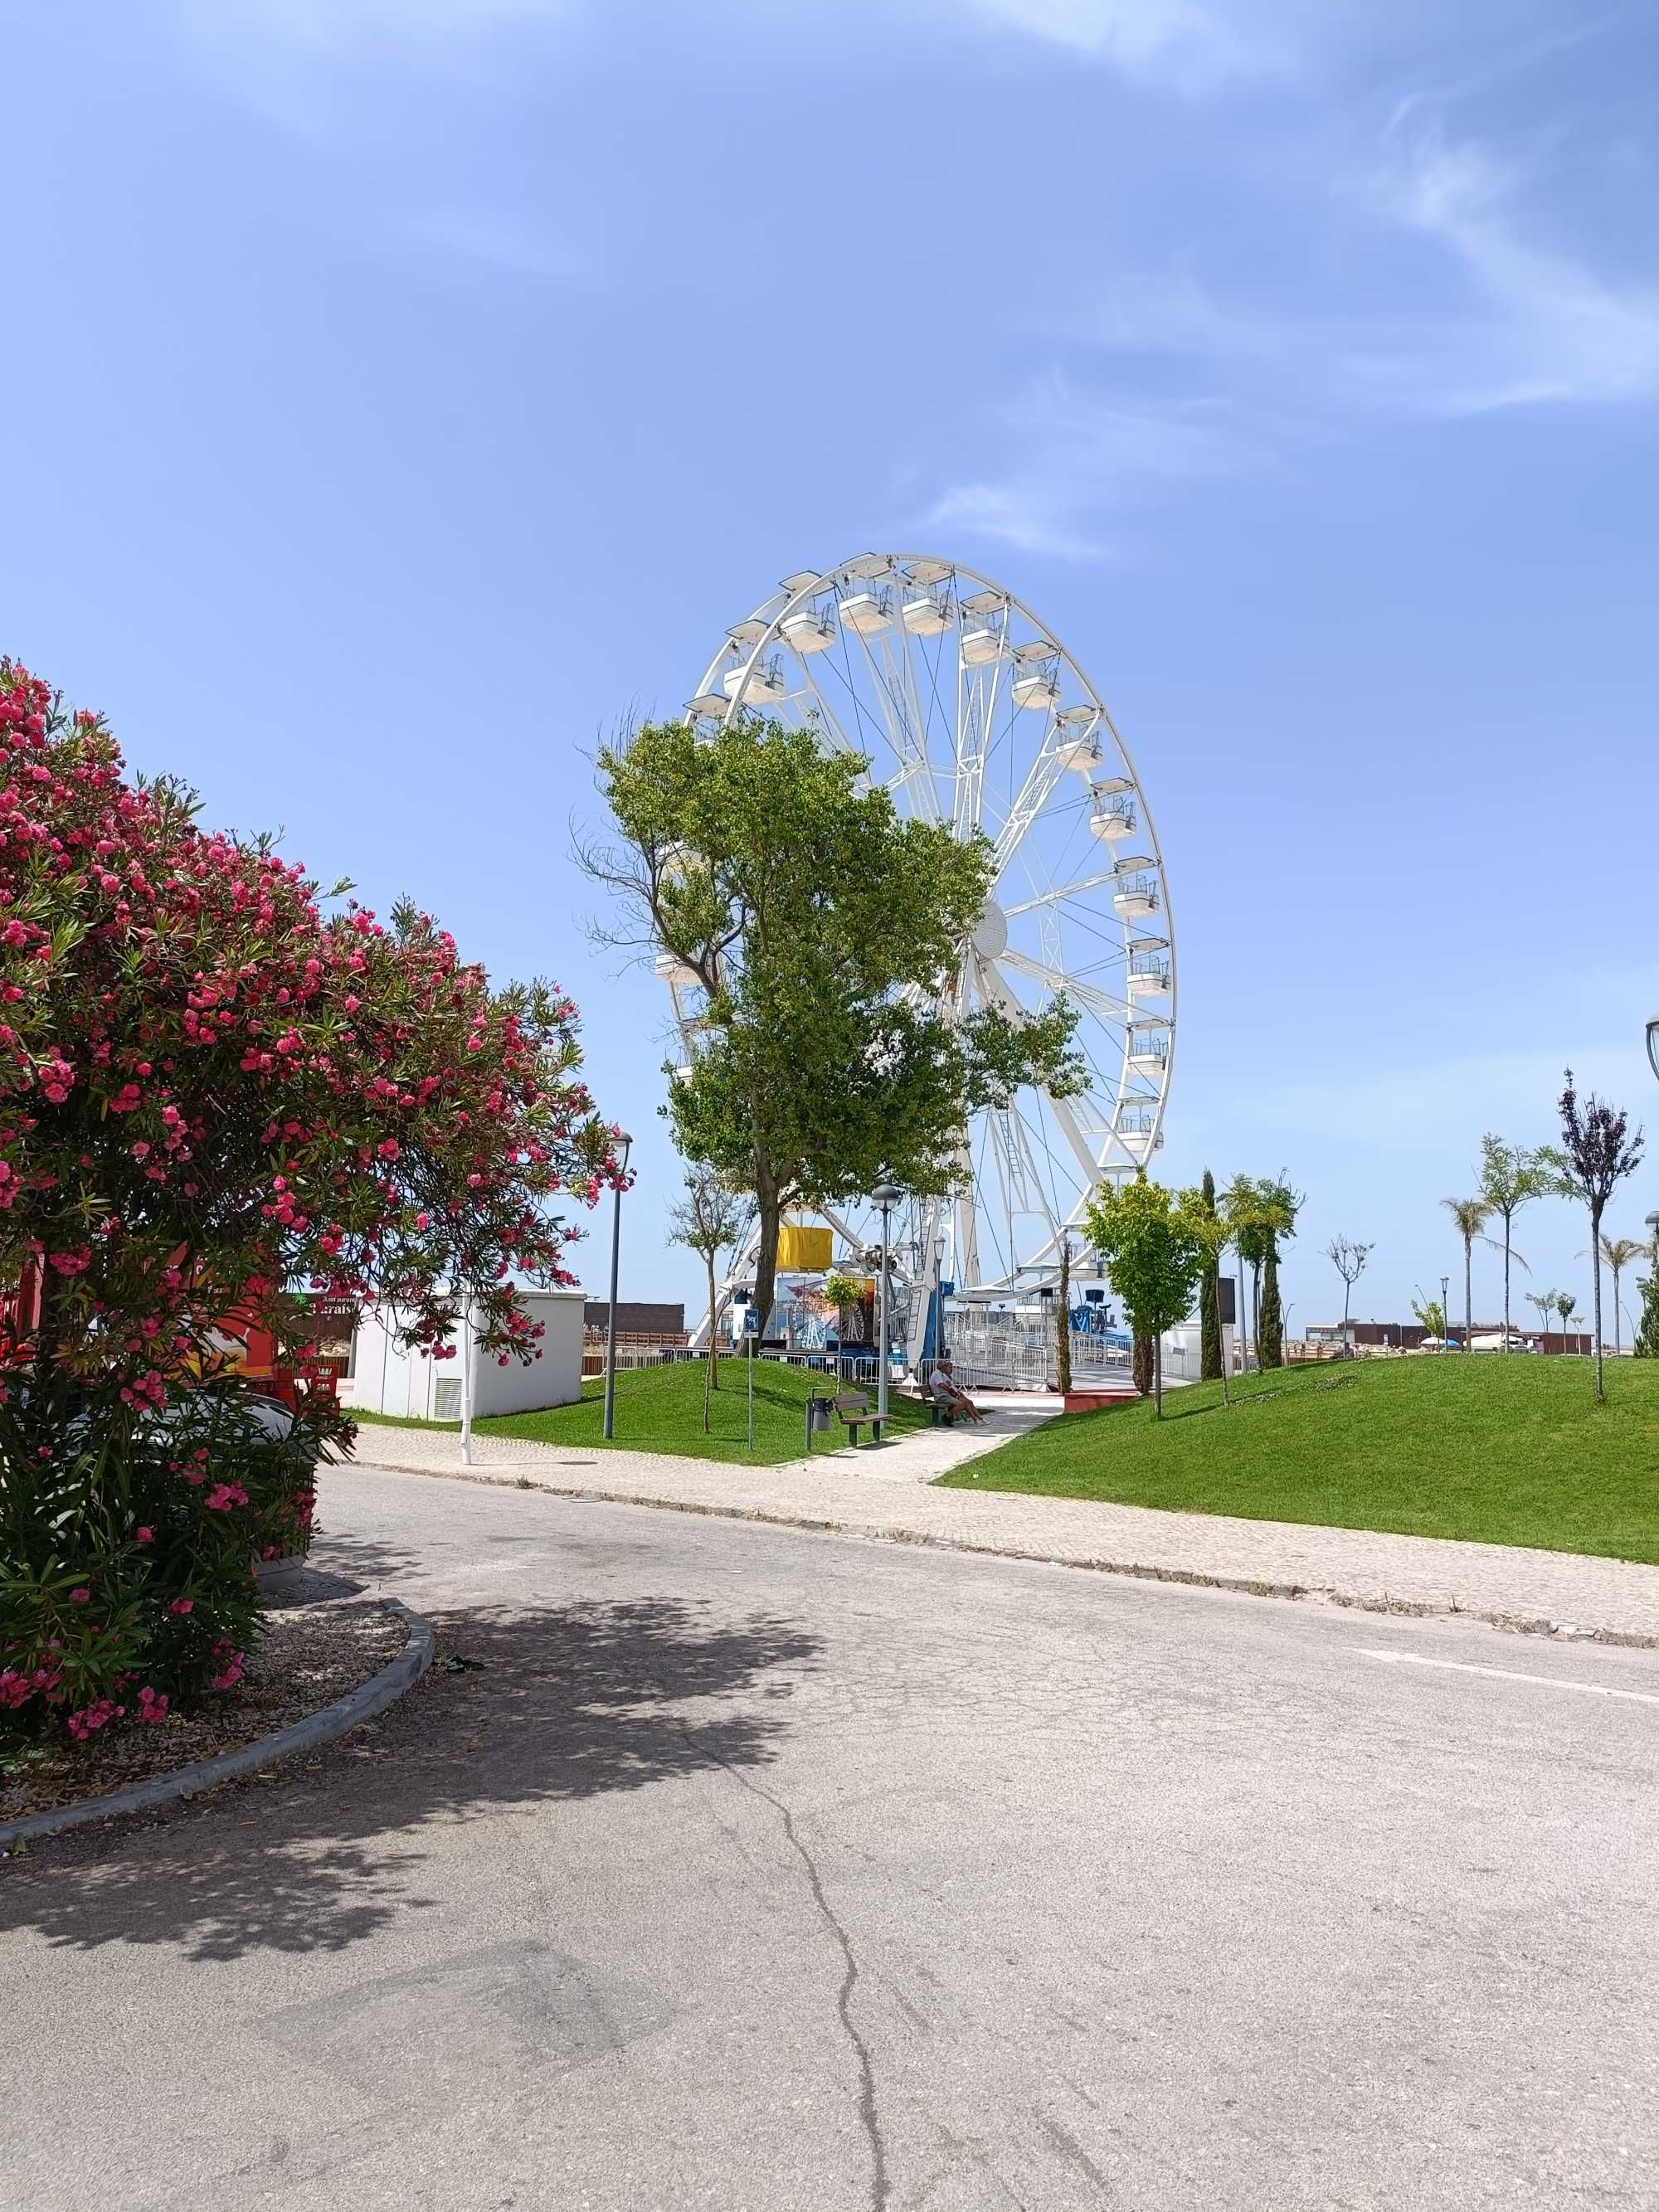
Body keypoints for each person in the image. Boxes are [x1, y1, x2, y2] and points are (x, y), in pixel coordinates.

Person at [928, 1358, 985, 1424]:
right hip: (941, 1396)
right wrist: (951, 1391)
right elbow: (942, 1385)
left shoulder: (941, 1374)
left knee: (967, 1402)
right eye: (946, 1366)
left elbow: (948, 1384)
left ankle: (977, 1419)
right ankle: (946, 1417)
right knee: (962, 1404)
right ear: (942, 1367)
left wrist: (952, 1391)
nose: (947, 1368)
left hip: (945, 1395)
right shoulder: (937, 1374)